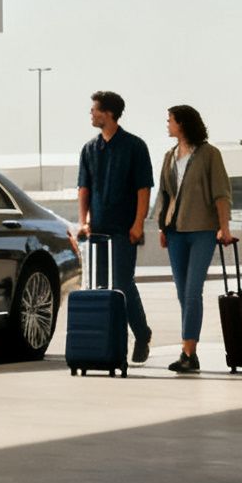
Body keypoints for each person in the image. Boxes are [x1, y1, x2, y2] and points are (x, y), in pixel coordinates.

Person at [155, 105, 233, 373]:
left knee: (192, 292)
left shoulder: (210, 154)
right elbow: (164, 195)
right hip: (175, 232)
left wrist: (224, 227)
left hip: (202, 230)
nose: (167, 124)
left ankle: (188, 352)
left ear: (183, 124)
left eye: (171, 120)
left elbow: (221, 192)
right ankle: (191, 353)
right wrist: (162, 228)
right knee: (181, 292)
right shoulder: (169, 156)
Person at [77, 90, 154, 363]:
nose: (91, 114)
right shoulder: (89, 149)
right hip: (97, 230)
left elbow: (143, 188)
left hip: (125, 229)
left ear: (108, 113)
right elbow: (84, 188)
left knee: (122, 284)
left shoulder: (135, 146)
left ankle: (141, 334)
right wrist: (84, 221)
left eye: (94, 110)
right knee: (99, 286)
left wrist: (138, 224)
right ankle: (109, 345)